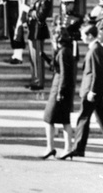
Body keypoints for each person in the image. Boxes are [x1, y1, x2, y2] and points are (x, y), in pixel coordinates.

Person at [66, 23, 103, 159]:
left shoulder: (95, 49)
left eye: (83, 35)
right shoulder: (96, 48)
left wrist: (92, 91)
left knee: (83, 118)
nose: (81, 38)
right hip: (93, 89)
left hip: (92, 90)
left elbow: (97, 72)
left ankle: (78, 148)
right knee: (102, 118)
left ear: (90, 36)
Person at [41, 23, 76, 159]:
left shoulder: (63, 52)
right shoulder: (65, 50)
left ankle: (52, 148)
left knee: (48, 118)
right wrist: (45, 57)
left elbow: (64, 73)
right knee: (64, 119)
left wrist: (60, 91)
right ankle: (67, 148)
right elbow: (56, 68)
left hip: (59, 88)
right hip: (61, 87)